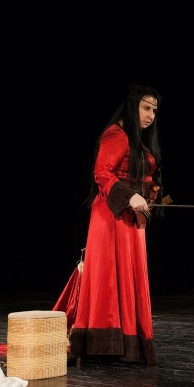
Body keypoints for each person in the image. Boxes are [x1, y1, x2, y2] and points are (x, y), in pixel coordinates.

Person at [54, 84, 164, 365]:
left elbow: (140, 175)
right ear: (132, 105)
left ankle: (129, 345)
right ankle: (104, 344)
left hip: (130, 218)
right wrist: (131, 196)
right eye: (146, 108)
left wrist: (150, 193)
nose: (151, 115)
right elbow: (102, 173)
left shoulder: (136, 140)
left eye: (154, 110)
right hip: (111, 216)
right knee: (111, 276)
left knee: (130, 276)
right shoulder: (116, 134)